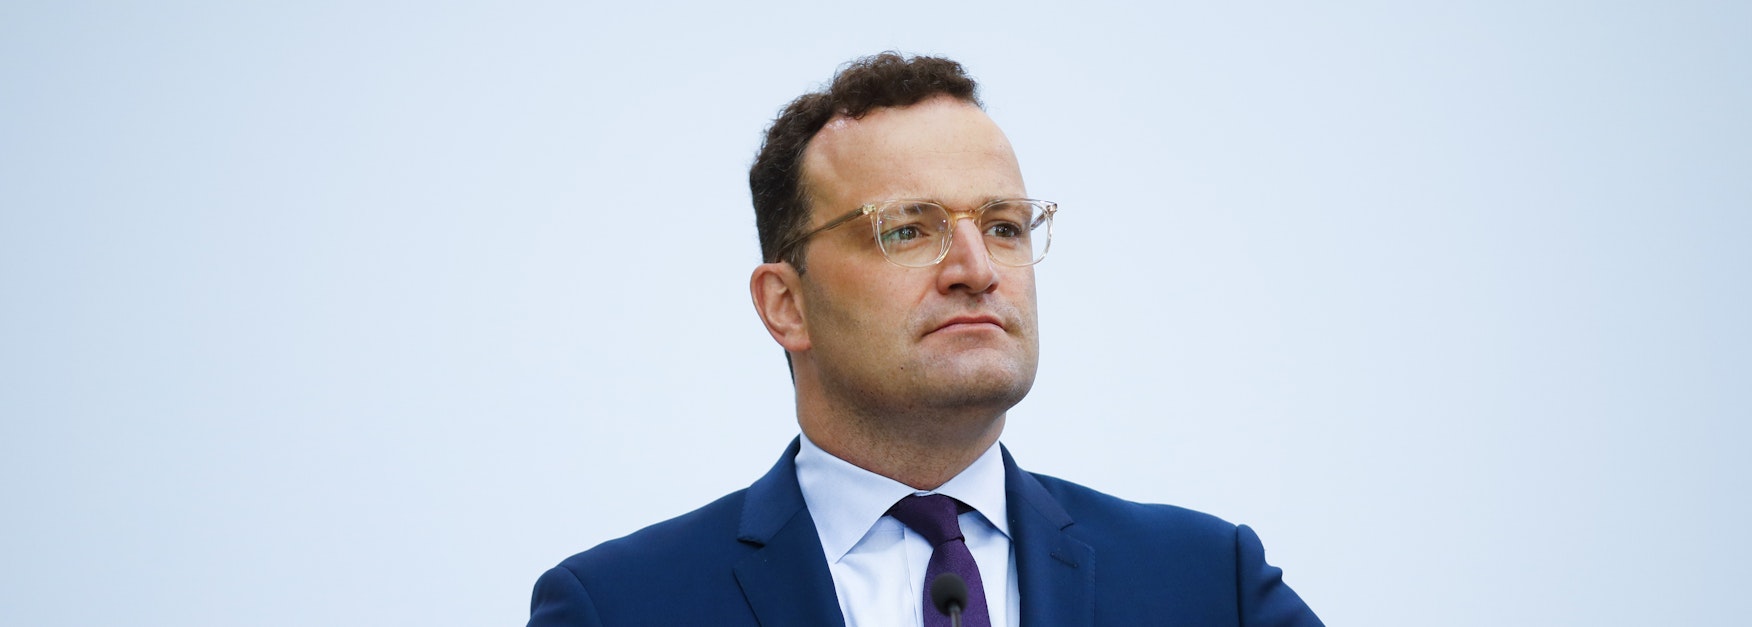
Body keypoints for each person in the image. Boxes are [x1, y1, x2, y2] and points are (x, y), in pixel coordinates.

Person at [527, 52, 1322, 627]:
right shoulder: (620, 606)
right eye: (909, 229)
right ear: (786, 304)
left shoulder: (1206, 583)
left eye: (1004, 226)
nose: (977, 270)